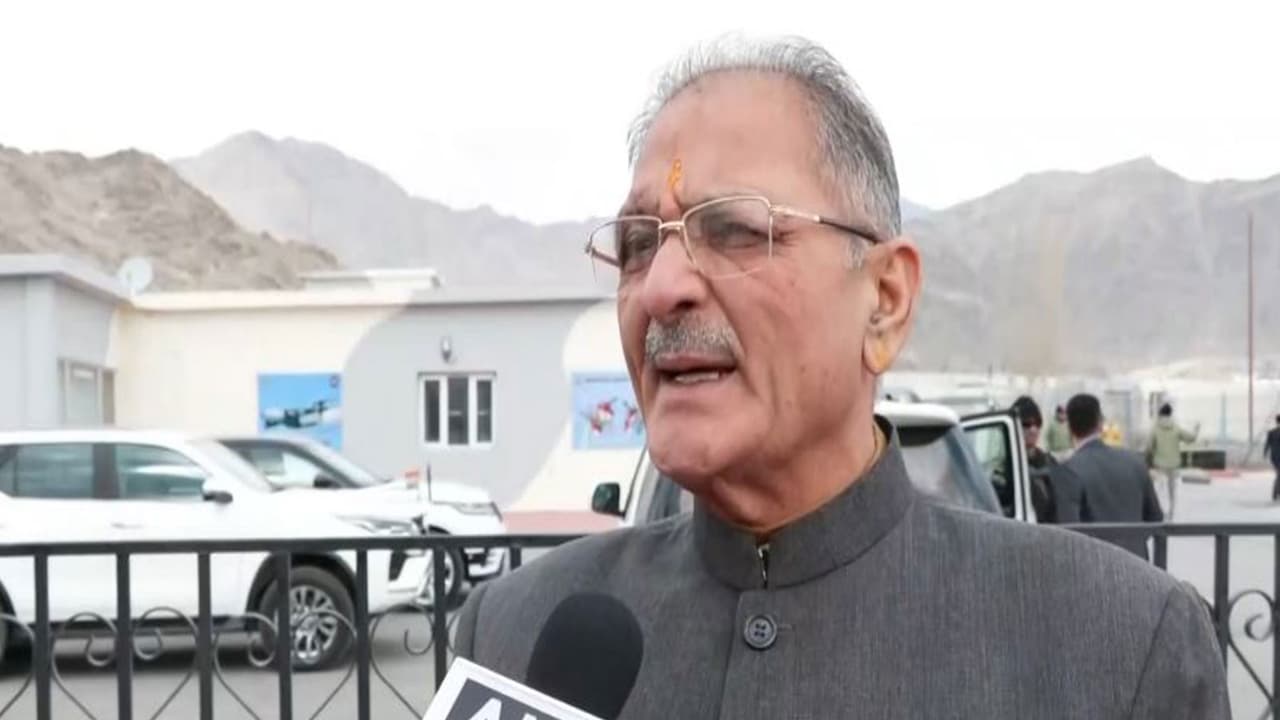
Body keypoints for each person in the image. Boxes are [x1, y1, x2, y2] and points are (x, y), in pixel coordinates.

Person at [454, 36, 1228, 718]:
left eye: (735, 230)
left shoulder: (1119, 648)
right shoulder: (516, 636)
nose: (660, 288)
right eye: (636, 244)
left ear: (885, 301)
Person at [1063, 393, 1165, 558]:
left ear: (1069, 427)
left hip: (1094, 565)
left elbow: (1069, 531)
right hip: (1136, 563)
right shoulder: (1135, 462)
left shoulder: (1069, 470)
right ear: (1100, 422)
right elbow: (1156, 519)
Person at [1011, 395, 1085, 523]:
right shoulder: (1007, 466)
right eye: (1026, 424)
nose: (1033, 429)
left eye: (1037, 424)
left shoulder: (1049, 462)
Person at [1147, 402, 1199, 519]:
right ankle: (1171, 512)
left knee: (1159, 490)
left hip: (1160, 464)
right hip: (1174, 465)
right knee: (1172, 491)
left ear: (1160, 414)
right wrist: (1196, 429)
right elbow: (1190, 439)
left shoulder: (1155, 428)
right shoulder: (1176, 428)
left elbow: (1149, 446)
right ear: (1170, 414)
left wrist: (1151, 457)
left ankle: (1160, 513)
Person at [1267, 415, 1280, 501]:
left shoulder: (1271, 432)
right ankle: (1275, 492)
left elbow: (1267, 444)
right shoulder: (1272, 432)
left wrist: (1265, 453)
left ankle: (1276, 492)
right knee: (1279, 474)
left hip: (1274, 457)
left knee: (1278, 473)